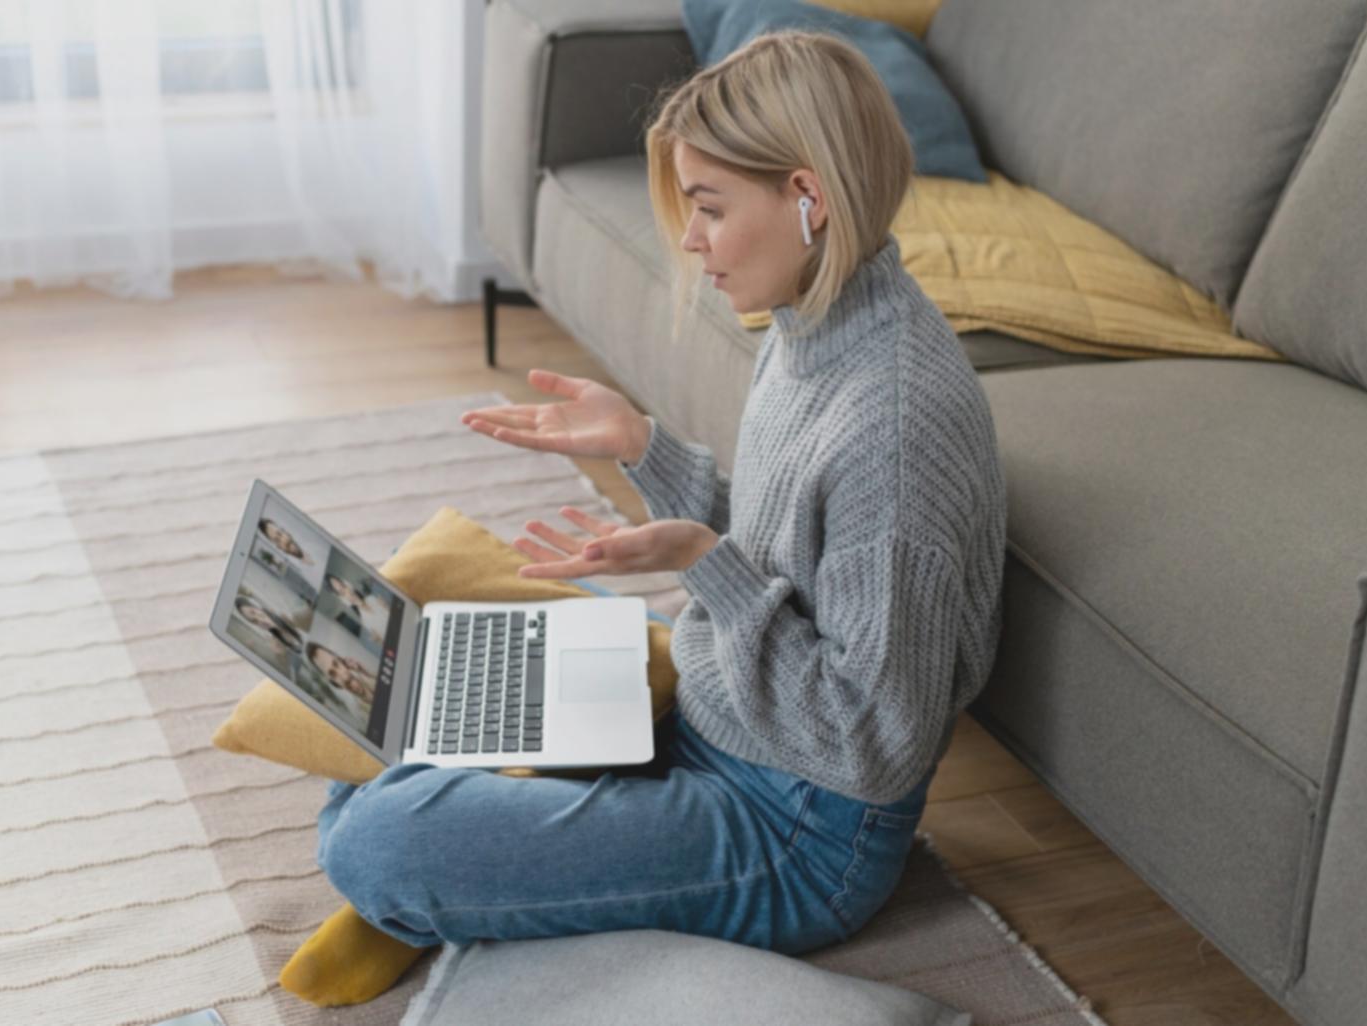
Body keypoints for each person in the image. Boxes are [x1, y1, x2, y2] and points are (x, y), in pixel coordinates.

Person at [314, 29, 1007, 957]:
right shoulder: (817, 319)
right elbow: (793, 552)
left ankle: (417, 790)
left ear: (807, 197)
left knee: (378, 844)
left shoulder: (892, 430)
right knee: (440, 630)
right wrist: (644, 444)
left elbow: (871, 745)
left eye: (710, 208)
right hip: (716, 711)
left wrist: (700, 564)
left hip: (795, 828)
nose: (689, 240)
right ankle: (438, 762)